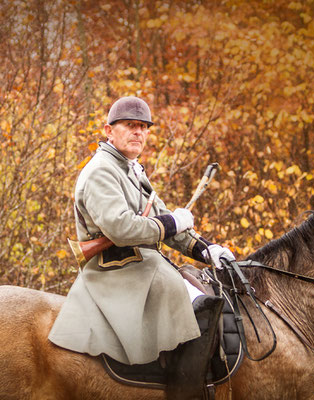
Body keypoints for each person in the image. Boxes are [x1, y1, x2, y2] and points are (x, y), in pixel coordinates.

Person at [48, 96, 235, 399]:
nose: (138, 132)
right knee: (197, 304)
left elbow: (164, 222)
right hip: (116, 269)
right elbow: (121, 229)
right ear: (109, 131)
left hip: (140, 263)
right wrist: (173, 223)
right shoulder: (101, 171)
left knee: (202, 285)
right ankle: (184, 392)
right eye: (130, 126)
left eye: (143, 127)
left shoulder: (132, 169)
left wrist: (205, 249)